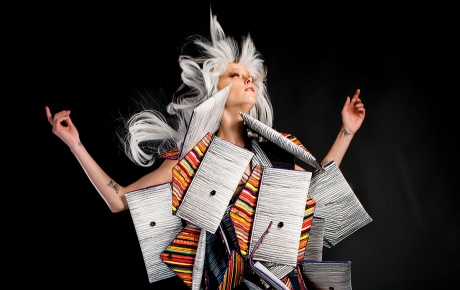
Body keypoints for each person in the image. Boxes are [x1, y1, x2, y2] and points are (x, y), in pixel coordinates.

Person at [45, 10, 367, 289]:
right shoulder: (192, 162)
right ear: (216, 88)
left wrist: (347, 131)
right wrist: (75, 144)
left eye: (249, 75)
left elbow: (319, 190)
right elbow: (118, 200)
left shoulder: (274, 155)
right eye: (234, 74)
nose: (247, 79)